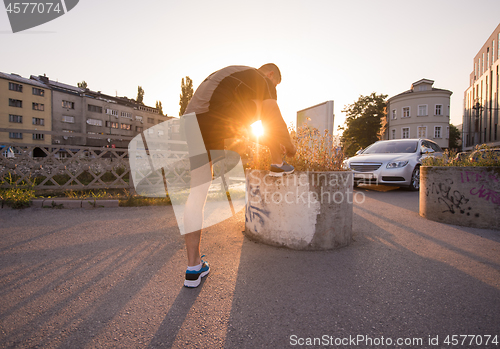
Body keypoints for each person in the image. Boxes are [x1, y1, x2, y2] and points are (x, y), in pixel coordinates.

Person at [182, 64, 296, 287]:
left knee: (197, 193)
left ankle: (193, 268)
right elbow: (272, 117)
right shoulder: (260, 80)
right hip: (213, 115)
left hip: (192, 121)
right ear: (271, 75)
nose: (274, 89)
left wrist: (270, 141)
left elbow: (238, 128)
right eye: (275, 85)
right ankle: (278, 162)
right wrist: (290, 146)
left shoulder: (236, 80)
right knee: (268, 111)